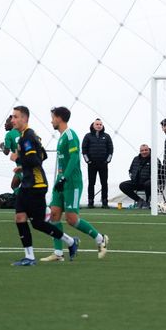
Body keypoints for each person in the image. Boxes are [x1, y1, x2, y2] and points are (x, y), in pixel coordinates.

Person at [10, 105, 79, 266]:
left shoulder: (27, 137)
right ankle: (30, 257)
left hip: (36, 185)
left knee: (37, 223)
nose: (12, 120)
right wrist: (24, 166)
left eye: (15, 117)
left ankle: (70, 242)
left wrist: (18, 159)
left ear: (24, 119)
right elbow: (43, 155)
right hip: (28, 183)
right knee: (20, 217)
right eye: (12, 117)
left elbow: (35, 160)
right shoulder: (28, 135)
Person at [41, 107, 109, 262]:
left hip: (71, 182)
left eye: (53, 117)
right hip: (60, 181)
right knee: (54, 215)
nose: (51, 121)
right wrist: (59, 179)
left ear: (59, 118)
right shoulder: (61, 137)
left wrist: (64, 178)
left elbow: (74, 158)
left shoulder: (71, 135)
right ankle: (58, 253)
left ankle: (100, 239)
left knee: (71, 219)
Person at [82, 118, 113, 208]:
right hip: (92, 164)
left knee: (104, 183)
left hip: (103, 164)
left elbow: (111, 149)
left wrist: (107, 161)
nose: (99, 126)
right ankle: (90, 201)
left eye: (100, 124)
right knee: (91, 183)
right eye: (97, 124)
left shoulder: (107, 136)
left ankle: (105, 202)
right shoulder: (87, 136)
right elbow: (84, 149)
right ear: (93, 125)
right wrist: (88, 161)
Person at [119, 144, 160, 209]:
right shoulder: (136, 159)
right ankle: (139, 200)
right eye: (142, 150)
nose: (144, 152)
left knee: (148, 183)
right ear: (140, 151)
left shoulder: (155, 159)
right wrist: (132, 176)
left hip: (149, 183)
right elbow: (130, 170)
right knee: (122, 185)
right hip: (137, 182)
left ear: (149, 150)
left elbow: (160, 173)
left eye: (146, 150)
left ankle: (147, 202)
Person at [0, 115, 22, 192]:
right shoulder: (22, 131)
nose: (5, 124)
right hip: (29, 163)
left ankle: (24, 197)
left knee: (26, 187)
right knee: (14, 185)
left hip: (22, 166)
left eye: (7, 122)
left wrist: (2, 146)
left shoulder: (9, 135)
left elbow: (6, 152)